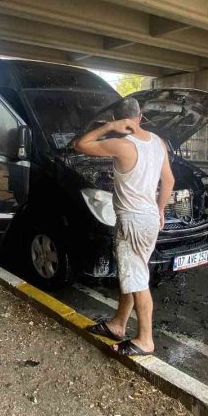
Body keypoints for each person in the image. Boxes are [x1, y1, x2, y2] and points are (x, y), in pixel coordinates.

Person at [74, 97, 174, 356]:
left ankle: (145, 340)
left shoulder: (121, 144)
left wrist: (109, 128)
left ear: (117, 119)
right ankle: (118, 324)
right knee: (134, 272)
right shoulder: (158, 142)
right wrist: (160, 209)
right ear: (140, 116)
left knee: (137, 279)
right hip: (150, 218)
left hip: (132, 220)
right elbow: (169, 181)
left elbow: (80, 144)